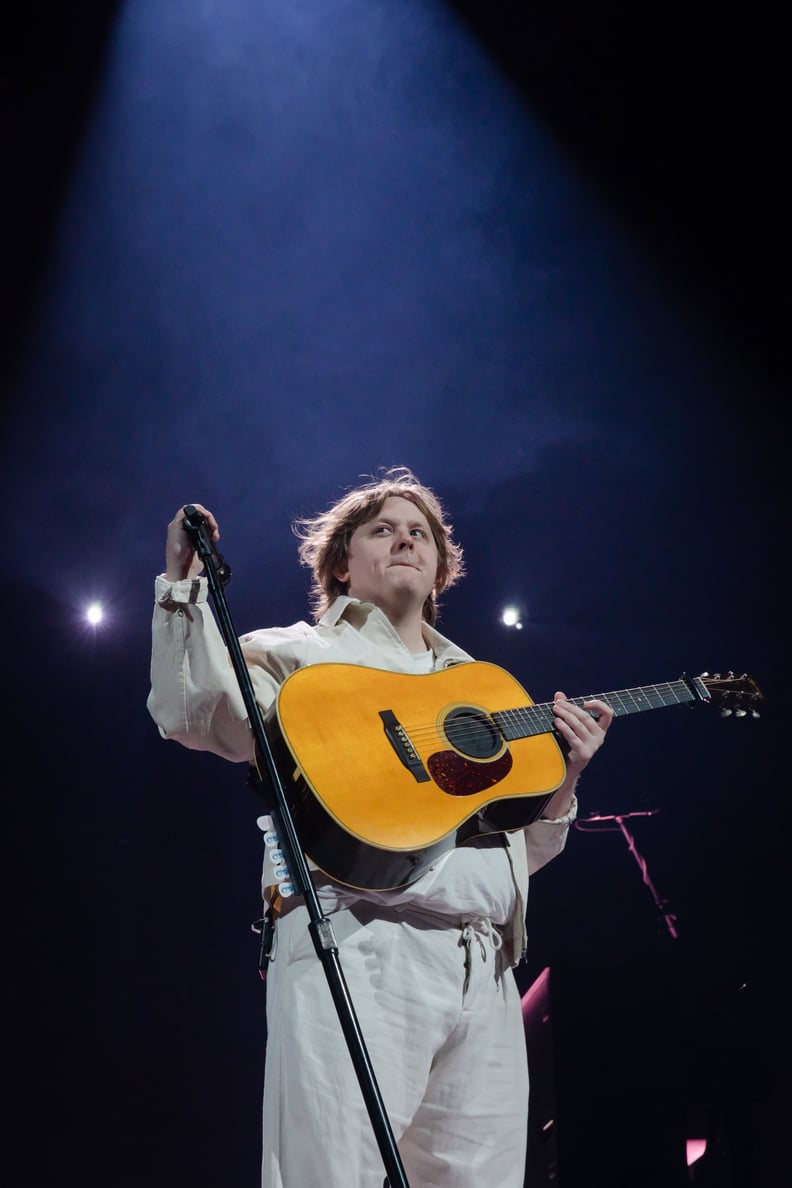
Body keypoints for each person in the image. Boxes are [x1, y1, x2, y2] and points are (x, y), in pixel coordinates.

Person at [147, 466, 614, 1188]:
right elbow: (196, 715)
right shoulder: (299, 655)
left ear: (440, 570)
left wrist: (566, 782)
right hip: (359, 937)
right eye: (383, 529)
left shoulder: (480, 689)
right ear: (341, 562)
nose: (406, 539)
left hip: (483, 965)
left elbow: (512, 850)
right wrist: (184, 589)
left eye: (420, 532)